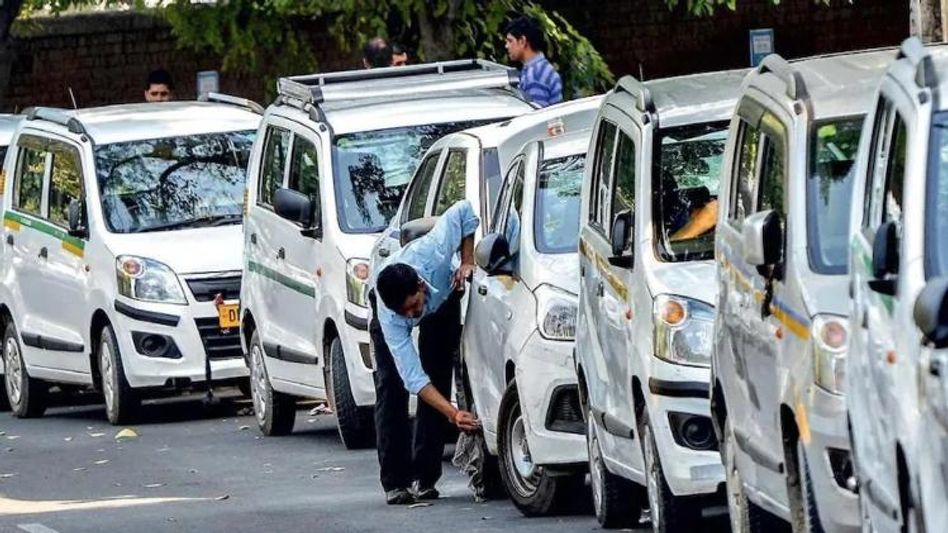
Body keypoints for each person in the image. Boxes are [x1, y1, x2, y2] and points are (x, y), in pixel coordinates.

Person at [369, 200, 481, 505]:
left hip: (443, 296)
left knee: (438, 373)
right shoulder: (392, 316)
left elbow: (464, 210)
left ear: (420, 285)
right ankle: (396, 481)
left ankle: (426, 477)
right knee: (391, 387)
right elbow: (413, 378)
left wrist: (468, 259)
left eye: (414, 307)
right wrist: (454, 414)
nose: (411, 316)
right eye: (405, 314)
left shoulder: (434, 250)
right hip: (389, 301)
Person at [504, 16, 562, 107]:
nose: (506, 46)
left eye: (510, 41)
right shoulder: (545, 68)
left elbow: (536, 116)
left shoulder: (534, 75)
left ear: (522, 41)